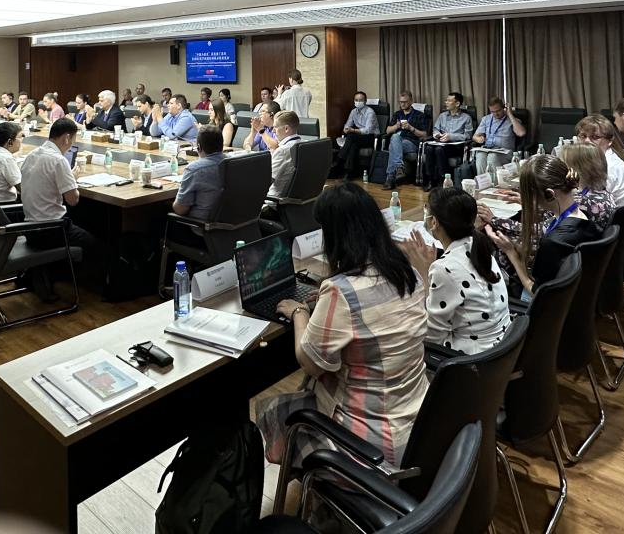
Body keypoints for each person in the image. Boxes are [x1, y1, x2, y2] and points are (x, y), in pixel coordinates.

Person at [256, 182, 428, 470]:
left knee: (280, 412)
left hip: (370, 447)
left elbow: (310, 362)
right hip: (418, 425)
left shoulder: (341, 292)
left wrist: (299, 312)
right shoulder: (407, 273)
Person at [399, 187, 511, 353]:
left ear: (434, 222)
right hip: (502, 347)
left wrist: (423, 274)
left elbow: (431, 337)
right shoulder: (479, 247)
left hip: (473, 358)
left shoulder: (445, 268)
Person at [484, 154, 602, 295]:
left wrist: (511, 253)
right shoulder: (584, 216)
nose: (529, 200)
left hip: (545, 304)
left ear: (549, 194)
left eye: (530, 195)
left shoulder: (554, 242)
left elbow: (537, 292)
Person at [19, 117, 98, 299]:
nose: (70, 147)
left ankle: (43, 274)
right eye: (72, 142)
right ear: (67, 138)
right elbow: (73, 200)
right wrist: (71, 181)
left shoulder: (33, 154)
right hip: (51, 230)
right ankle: (76, 283)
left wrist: (67, 179)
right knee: (96, 244)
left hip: (29, 226)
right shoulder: (58, 160)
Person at [574, 114, 624, 208]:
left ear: (610, 141)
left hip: (614, 214)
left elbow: (595, 205)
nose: (587, 141)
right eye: (583, 136)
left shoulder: (608, 167)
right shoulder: (606, 157)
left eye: (595, 137)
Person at [556, 141, 616, 229]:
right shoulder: (602, 193)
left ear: (577, 169)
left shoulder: (583, 203)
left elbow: (551, 227)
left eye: (562, 165)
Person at [172, 125, 226, 220]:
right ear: (222, 145)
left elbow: (181, 210)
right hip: (234, 223)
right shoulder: (235, 162)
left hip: (202, 224)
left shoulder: (194, 169)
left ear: (199, 147)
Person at [422, 92, 474, 189]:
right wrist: (437, 135)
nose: (446, 102)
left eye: (449, 101)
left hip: (455, 146)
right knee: (429, 148)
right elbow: (435, 129)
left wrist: (451, 137)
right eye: (446, 100)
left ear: (457, 104)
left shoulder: (466, 118)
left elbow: (468, 135)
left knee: (438, 150)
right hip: (441, 143)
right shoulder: (442, 116)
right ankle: (430, 179)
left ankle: (444, 179)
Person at [383, 92, 429, 190]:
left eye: (405, 102)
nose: (402, 104)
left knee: (393, 143)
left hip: (411, 142)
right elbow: (387, 130)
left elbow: (425, 135)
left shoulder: (419, 115)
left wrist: (411, 128)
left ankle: (390, 178)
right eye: (401, 102)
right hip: (397, 141)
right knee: (395, 139)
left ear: (411, 101)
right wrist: (396, 126)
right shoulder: (397, 114)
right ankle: (399, 168)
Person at [470, 97, 526, 176]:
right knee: (480, 155)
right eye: (493, 112)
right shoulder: (486, 119)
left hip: (505, 152)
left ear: (504, 108)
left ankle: (495, 182)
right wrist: (478, 139)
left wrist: (510, 114)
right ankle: (483, 181)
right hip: (488, 149)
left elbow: (521, 133)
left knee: (492, 157)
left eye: (498, 111)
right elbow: (474, 136)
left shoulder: (512, 120)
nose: (496, 114)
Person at [332, 91, 379, 179]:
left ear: (365, 101)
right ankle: (349, 173)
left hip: (371, 137)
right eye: (356, 100)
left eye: (360, 100)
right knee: (353, 145)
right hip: (358, 137)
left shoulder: (370, 112)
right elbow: (348, 124)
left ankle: (338, 162)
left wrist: (352, 130)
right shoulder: (353, 112)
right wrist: (346, 129)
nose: (358, 102)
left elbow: (367, 130)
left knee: (351, 137)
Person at [267, 110, 302, 200]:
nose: (273, 131)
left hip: (273, 199)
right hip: (297, 198)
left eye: (275, 127)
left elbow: (267, 181)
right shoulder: (304, 144)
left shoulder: (282, 151)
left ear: (286, 129)